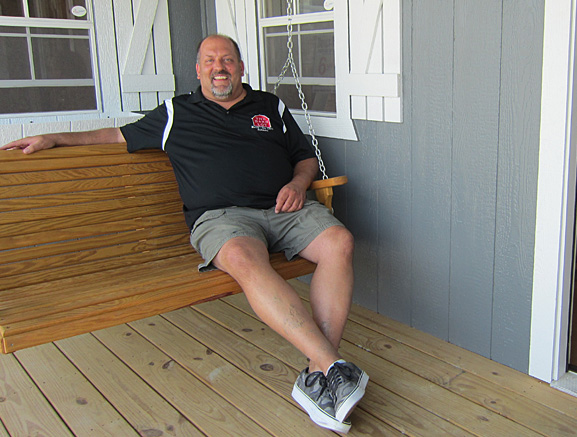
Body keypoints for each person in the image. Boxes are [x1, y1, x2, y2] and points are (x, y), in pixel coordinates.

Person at [1, 34, 367, 434]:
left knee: (339, 242)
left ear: (241, 67)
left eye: (227, 59)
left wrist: (299, 184)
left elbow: (304, 156)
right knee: (245, 260)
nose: (219, 67)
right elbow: (116, 136)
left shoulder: (270, 106)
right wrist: (56, 137)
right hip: (222, 218)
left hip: (285, 208)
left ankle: (318, 371)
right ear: (198, 70)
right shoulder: (177, 112)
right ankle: (332, 366)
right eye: (210, 60)